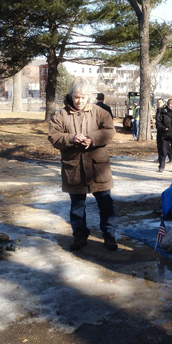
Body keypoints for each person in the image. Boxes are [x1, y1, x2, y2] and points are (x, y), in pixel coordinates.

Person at [48, 80, 118, 252]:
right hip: (74, 167)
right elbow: (53, 136)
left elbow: (110, 131)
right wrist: (71, 138)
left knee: (105, 203)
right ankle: (79, 236)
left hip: (97, 167)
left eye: (83, 97)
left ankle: (109, 235)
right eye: (76, 97)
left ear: (89, 97)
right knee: (77, 206)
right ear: (71, 95)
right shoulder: (60, 115)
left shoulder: (100, 112)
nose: (79, 100)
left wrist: (92, 138)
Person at [155, 98, 172, 164]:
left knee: (166, 145)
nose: (159, 104)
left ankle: (171, 157)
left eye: (160, 102)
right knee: (159, 145)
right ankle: (160, 158)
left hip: (164, 130)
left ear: (163, 103)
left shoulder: (164, 110)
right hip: (159, 130)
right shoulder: (158, 110)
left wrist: (165, 128)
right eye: (158, 102)